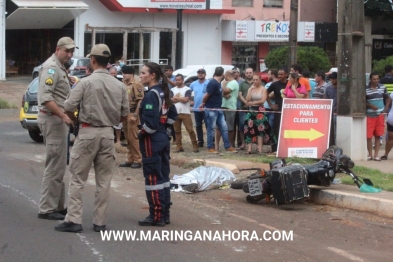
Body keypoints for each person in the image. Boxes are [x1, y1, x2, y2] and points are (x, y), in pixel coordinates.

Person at [55, 44, 129, 233]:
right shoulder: (120, 85)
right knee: (104, 180)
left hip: (87, 132)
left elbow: (69, 106)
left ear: (93, 60)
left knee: (78, 178)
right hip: (107, 133)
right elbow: (124, 114)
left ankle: (74, 219)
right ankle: (100, 222)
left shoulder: (85, 83)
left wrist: (73, 121)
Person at [36, 36, 76, 220]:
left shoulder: (60, 67)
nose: (70, 54)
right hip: (53, 119)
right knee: (54, 164)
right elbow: (46, 98)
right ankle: (47, 208)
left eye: (72, 51)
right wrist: (62, 116)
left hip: (58, 121)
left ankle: (57, 205)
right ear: (57, 49)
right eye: (67, 51)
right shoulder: (51, 67)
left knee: (60, 164)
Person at [137, 62, 177, 226]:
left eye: (143, 73)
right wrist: (165, 128)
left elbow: (150, 123)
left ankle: (157, 215)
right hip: (163, 138)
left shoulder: (152, 95)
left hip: (152, 139)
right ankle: (165, 213)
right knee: (163, 177)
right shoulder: (163, 91)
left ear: (152, 75)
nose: (140, 75)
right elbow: (172, 114)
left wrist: (141, 132)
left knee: (153, 178)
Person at [200, 67, 237, 154]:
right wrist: (203, 104)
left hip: (218, 108)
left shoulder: (218, 83)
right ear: (222, 74)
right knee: (211, 128)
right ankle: (210, 147)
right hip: (211, 109)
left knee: (224, 127)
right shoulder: (213, 83)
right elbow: (206, 95)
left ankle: (227, 146)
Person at [119, 65, 144, 169]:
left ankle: (138, 159)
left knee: (133, 138)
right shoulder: (123, 84)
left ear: (131, 74)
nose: (123, 75)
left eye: (125, 73)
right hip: (124, 113)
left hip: (132, 113)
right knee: (128, 138)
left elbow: (140, 101)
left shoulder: (137, 84)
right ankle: (130, 159)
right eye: (123, 73)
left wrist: (135, 115)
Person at [244, 73, 277, 154]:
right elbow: (247, 99)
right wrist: (250, 91)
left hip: (260, 110)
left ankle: (260, 149)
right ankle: (249, 149)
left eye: (256, 80)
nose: (255, 81)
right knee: (249, 128)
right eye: (254, 80)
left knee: (260, 129)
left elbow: (263, 100)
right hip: (251, 110)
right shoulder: (251, 88)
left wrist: (252, 103)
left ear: (260, 80)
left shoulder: (263, 89)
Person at [171, 74, 198, 153]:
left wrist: (176, 98)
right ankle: (179, 146)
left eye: (179, 80)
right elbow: (171, 100)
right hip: (175, 113)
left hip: (185, 112)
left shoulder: (187, 89)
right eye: (176, 80)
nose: (177, 81)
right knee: (177, 131)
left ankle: (195, 145)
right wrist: (180, 99)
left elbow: (186, 99)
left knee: (190, 130)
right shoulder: (173, 89)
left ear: (182, 80)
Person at [366, 72, 388, 161]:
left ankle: (376, 155)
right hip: (369, 115)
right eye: (374, 79)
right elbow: (362, 101)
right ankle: (370, 154)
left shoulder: (382, 87)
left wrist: (385, 109)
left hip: (380, 115)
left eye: (377, 79)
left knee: (378, 135)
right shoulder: (365, 89)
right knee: (368, 136)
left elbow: (388, 98)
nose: (376, 81)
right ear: (370, 79)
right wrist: (370, 106)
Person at [215, 70, 239, 149]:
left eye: (225, 75)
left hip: (230, 107)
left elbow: (226, 91)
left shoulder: (233, 83)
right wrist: (224, 93)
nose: (224, 77)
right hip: (222, 106)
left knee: (230, 127)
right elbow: (221, 93)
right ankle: (217, 145)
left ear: (227, 75)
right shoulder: (224, 82)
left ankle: (230, 145)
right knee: (218, 127)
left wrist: (224, 86)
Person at [266, 68, 288, 152]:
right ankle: (275, 148)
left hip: (288, 111)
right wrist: (271, 104)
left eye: (282, 74)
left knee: (286, 129)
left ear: (286, 74)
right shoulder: (274, 84)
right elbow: (266, 93)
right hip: (278, 110)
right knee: (276, 128)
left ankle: (285, 147)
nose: (280, 76)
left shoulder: (290, 84)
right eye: (279, 74)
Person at [189, 68, 209, 147]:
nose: (200, 74)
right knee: (198, 125)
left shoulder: (208, 83)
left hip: (206, 107)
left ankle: (211, 141)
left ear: (205, 74)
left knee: (208, 125)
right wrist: (190, 100)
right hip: (196, 108)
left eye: (202, 73)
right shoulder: (193, 83)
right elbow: (187, 92)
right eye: (199, 73)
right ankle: (200, 140)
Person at [237, 67, 254, 150]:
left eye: (250, 72)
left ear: (253, 73)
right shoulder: (242, 83)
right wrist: (246, 102)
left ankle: (253, 145)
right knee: (242, 126)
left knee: (255, 126)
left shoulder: (257, 82)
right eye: (247, 73)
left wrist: (252, 103)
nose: (249, 74)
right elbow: (239, 94)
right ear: (245, 74)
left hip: (255, 108)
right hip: (243, 107)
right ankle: (243, 143)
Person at [325, 72, 338, 146]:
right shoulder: (328, 89)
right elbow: (326, 100)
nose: (332, 80)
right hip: (331, 114)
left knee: (338, 134)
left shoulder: (341, 89)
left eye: (334, 79)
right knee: (332, 134)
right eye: (331, 79)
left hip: (340, 115)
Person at [381, 92, 393, 160]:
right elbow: (387, 105)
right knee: (390, 138)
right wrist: (384, 113)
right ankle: (386, 154)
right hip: (391, 119)